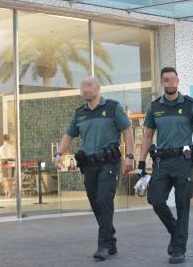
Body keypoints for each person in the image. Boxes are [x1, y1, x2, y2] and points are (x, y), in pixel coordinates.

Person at [137, 67, 193, 264]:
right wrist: (140, 162)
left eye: (173, 80)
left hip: (182, 162)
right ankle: (175, 231)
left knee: (182, 205)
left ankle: (178, 249)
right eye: (166, 80)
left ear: (178, 81)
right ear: (162, 82)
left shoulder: (190, 105)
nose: (170, 83)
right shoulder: (154, 107)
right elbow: (147, 136)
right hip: (161, 162)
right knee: (155, 199)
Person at [54, 77, 134, 261]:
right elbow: (68, 135)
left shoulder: (112, 107)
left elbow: (127, 131)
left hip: (109, 163)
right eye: (82, 87)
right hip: (89, 165)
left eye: (88, 86)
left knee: (104, 199)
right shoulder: (79, 113)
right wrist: (58, 153)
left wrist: (130, 156)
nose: (85, 90)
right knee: (95, 202)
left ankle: (103, 244)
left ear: (98, 88)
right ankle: (110, 238)